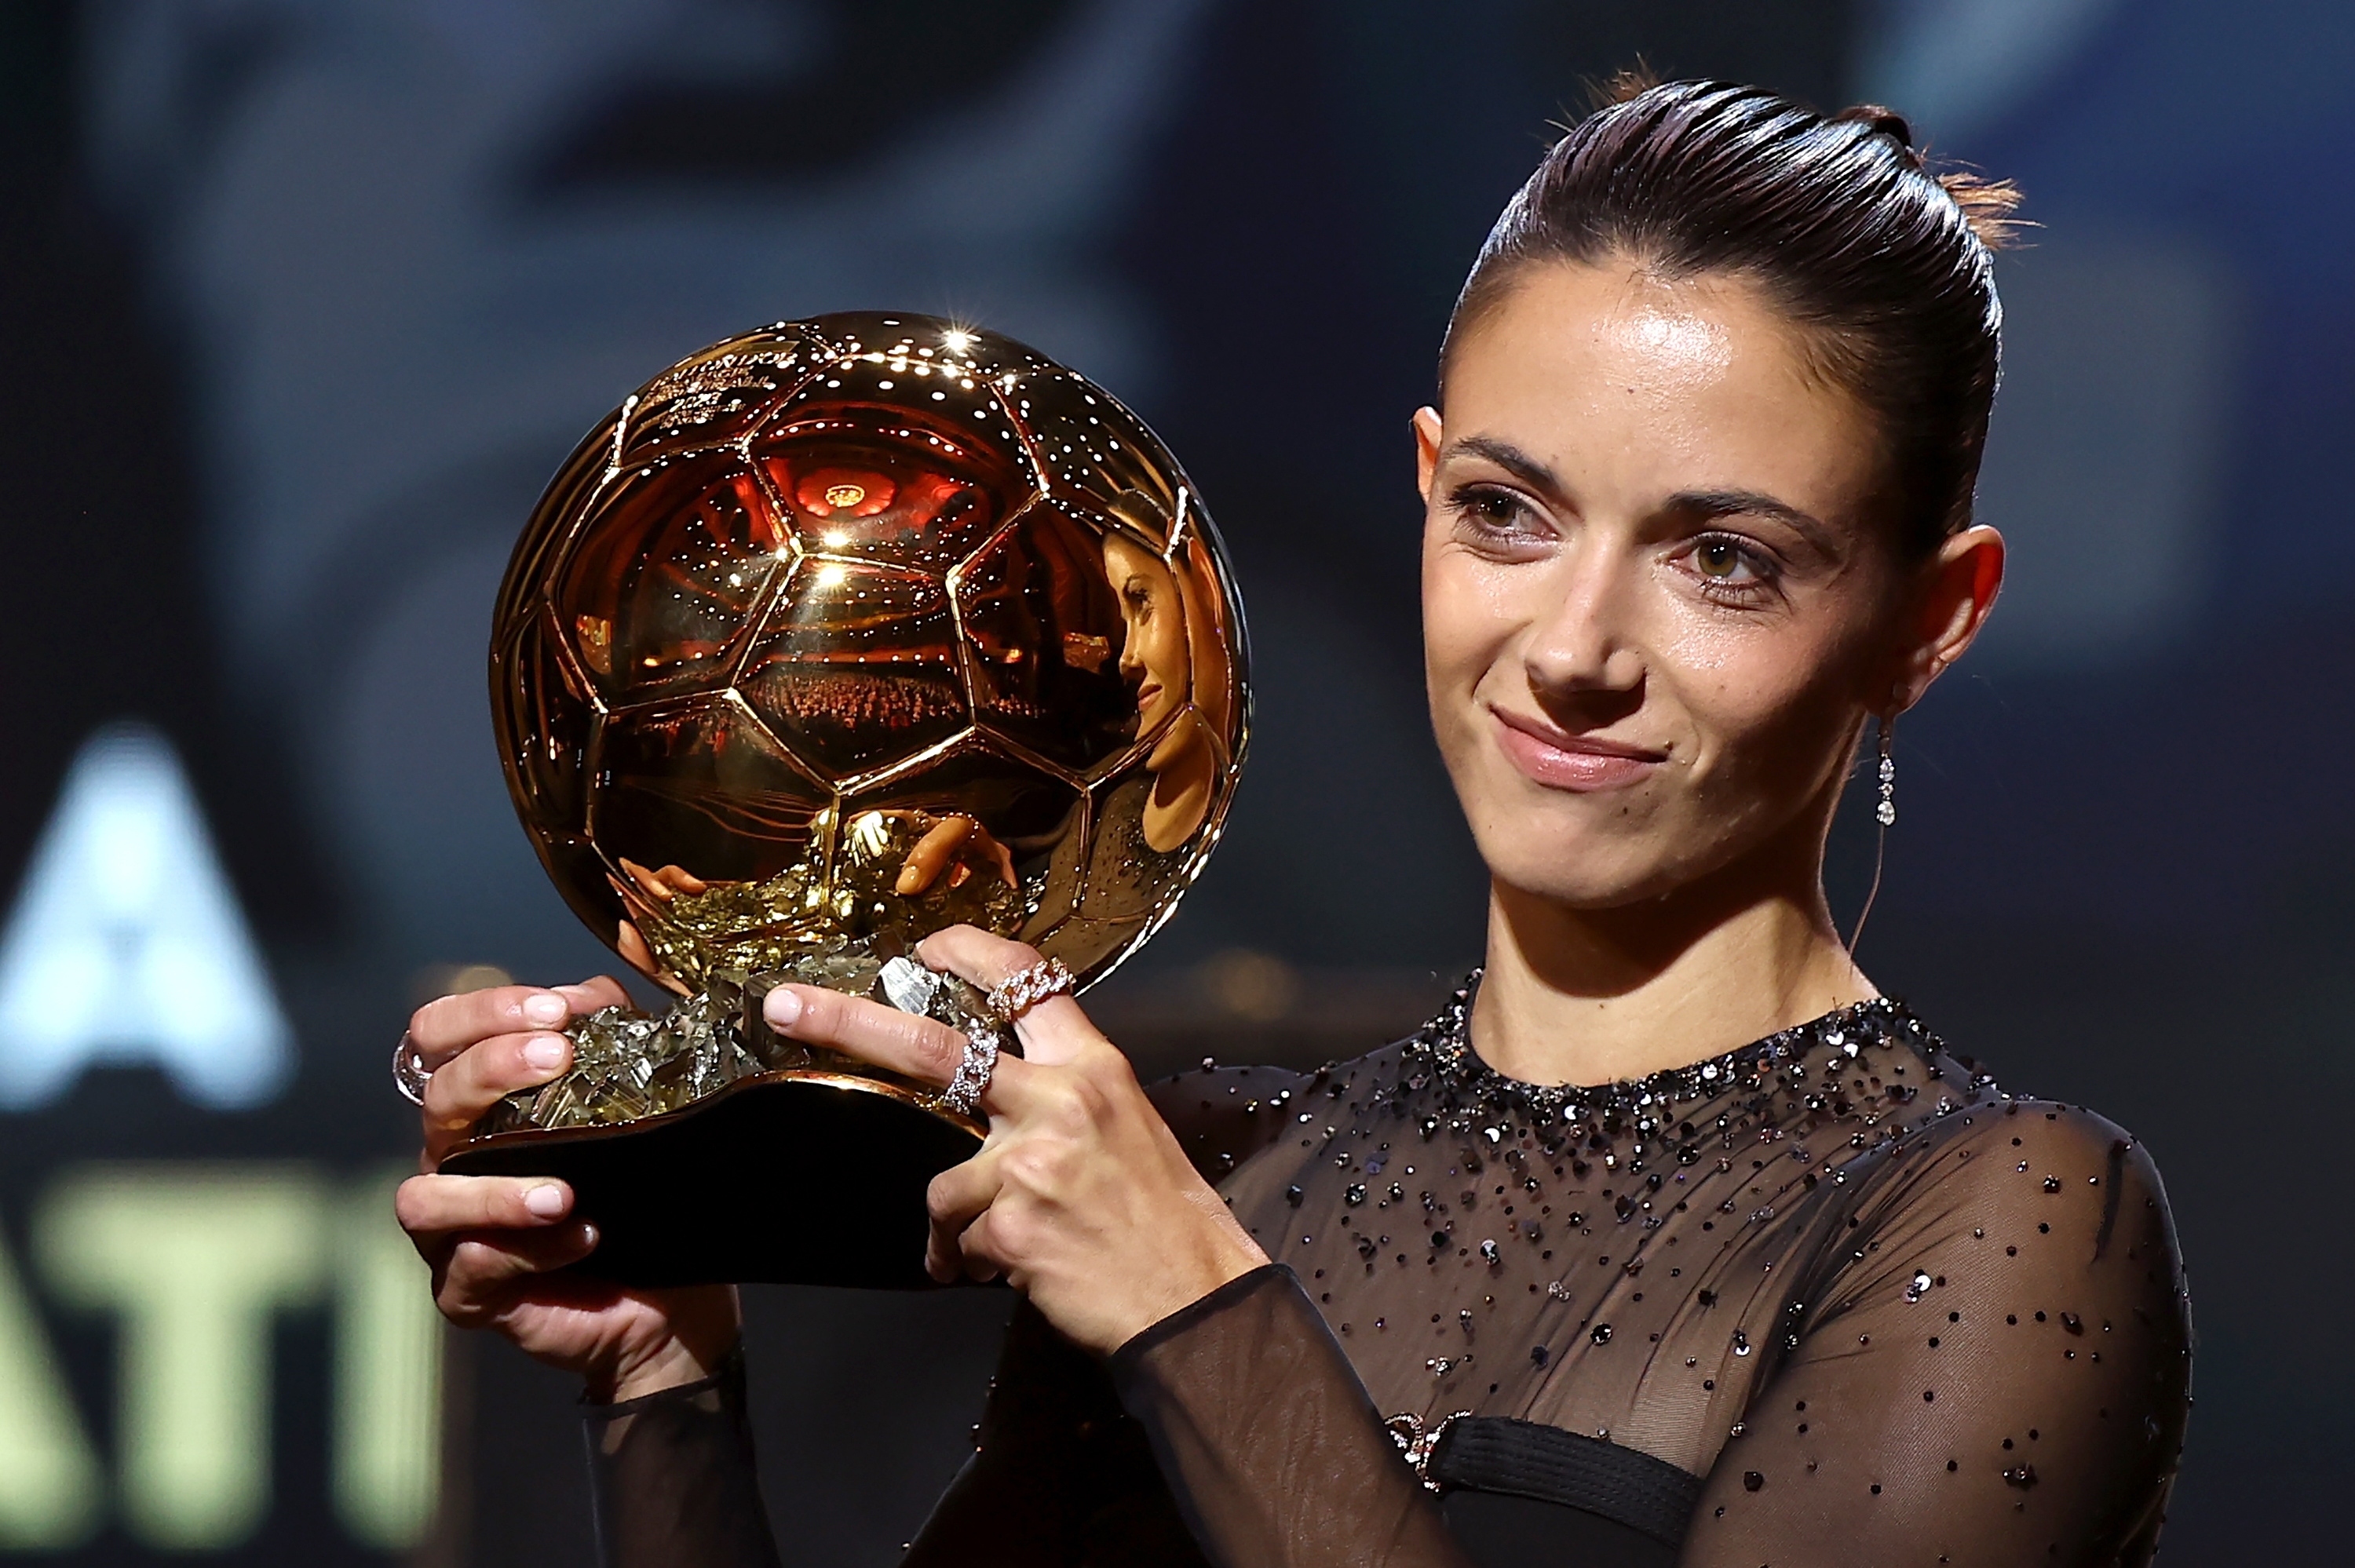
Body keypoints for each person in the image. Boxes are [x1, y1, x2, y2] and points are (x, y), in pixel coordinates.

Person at [396, 79, 2192, 1566]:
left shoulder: (2004, 1227)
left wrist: (1190, 1307)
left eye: (1723, 560)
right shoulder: (1228, 1174)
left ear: (1932, 616)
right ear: (1424, 489)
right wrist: (661, 1385)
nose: (1570, 650)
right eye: (1508, 514)